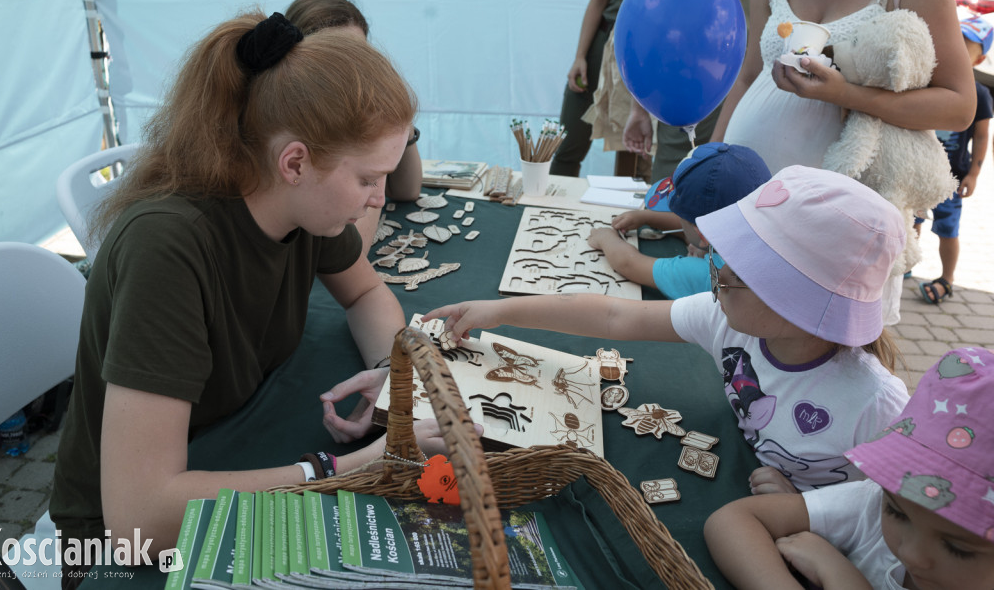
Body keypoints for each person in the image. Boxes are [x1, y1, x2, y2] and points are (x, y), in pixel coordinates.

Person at [49, 11, 448, 584]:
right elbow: (139, 518)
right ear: (295, 162)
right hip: (114, 547)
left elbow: (365, 293)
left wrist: (392, 372)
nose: (378, 199)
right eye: (367, 179)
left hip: (230, 442)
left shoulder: (305, 214)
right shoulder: (168, 247)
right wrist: (337, 469)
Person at [426, 166, 910, 493]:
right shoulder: (729, 319)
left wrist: (804, 510)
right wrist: (500, 311)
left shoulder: (877, 404)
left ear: (797, 305)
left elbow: (901, 515)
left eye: (733, 271)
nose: (714, 272)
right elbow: (615, 316)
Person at [705, 346, 994, 589]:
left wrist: (842, 577)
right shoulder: (881, 499)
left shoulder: (909, 506)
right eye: (896, 512)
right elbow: (731, 521)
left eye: (959, 548)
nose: (912, 554)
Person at [712, 0, 974, 174]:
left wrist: (847, 96)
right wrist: (703, 165)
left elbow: (960, 107)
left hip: (833, 209)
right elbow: (750, 76)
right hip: (738, 196)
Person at [621, 0, 775, 183]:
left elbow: (654, 14)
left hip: (683, 79)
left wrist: (638, 108)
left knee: (671, 184)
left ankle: (659, 226)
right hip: (762, 89)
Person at [285, 0, 423, 256]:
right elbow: (352, 253)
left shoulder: (359, 114)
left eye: (360, 54)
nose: (355, 69)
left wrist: (398, 125)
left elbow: (407, 190)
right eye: (338, 56)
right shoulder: (300, 127)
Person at [588, 142, 770, 299]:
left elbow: (629, 263)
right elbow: (694, 229)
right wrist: (646, 217)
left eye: (679, 216)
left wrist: (605, 238)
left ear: (702, 234)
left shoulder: (712, 275)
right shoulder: (764, 239)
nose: (677, 219)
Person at [550, 0, 634, 177]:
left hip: (644, 52)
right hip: (603, 41)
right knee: (568, 143)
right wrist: (580, 56)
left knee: (635, 149)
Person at [919, 17, 993, 305]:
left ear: (981, 58)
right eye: (955, 40)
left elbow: (983, 136)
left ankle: (947, 279)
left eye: (968, 45)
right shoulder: (929, 80)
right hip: (918, 172)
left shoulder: (981, 94)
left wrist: (974, 174)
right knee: (910, 222)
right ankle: (904, 266)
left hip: (951, 178)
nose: (958, 48)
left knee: (947, 230)